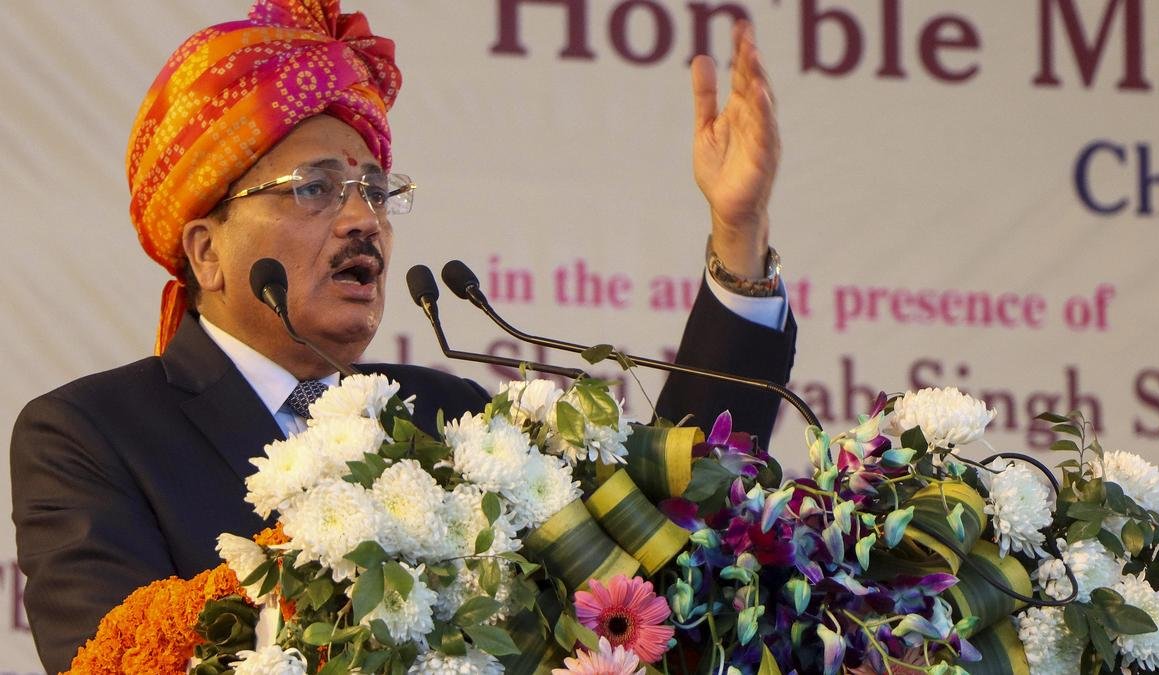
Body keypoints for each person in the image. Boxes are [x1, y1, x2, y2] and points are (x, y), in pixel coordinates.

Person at [9, 0, 795, 672]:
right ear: (207, 251)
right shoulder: (91, 434)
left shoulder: (451, 416)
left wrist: (738, 236)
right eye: (315, 188)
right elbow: (111, 656)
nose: (363, 220)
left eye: (376, 190)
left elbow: (656, 541)